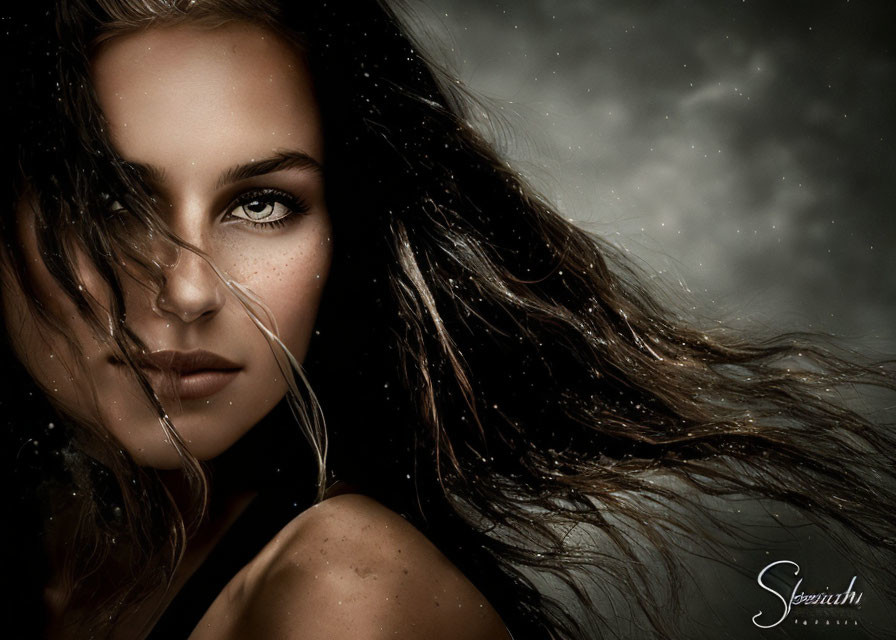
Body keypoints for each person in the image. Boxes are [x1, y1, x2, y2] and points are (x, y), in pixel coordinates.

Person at [1, 1, 894, 639]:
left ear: (343, 242)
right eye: (110, 200)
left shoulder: (343, 599)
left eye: (263, 204)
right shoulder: (62, 556)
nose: (190, 291)